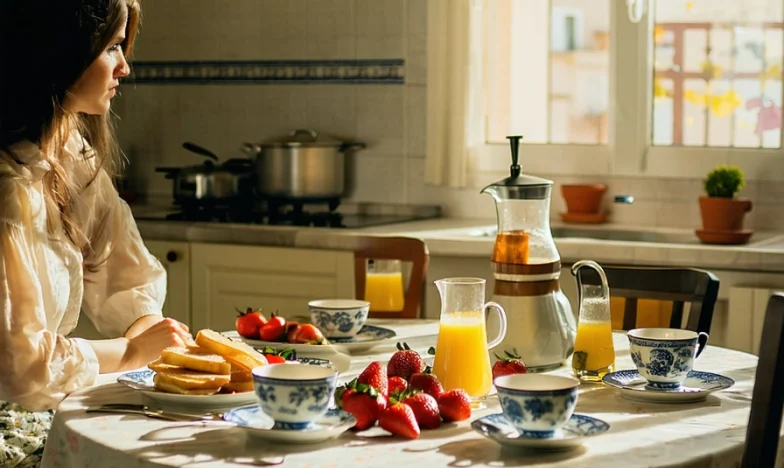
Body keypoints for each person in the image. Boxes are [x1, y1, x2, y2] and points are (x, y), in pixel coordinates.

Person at [0, 1, 191, 465]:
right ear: (59, 53)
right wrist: (131, 351)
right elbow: (21, 367)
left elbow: (123, 266)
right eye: (111, 48)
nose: (124, 67)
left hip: (34, 413)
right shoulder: (7, 188)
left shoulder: (67, 152)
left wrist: (149, 328)